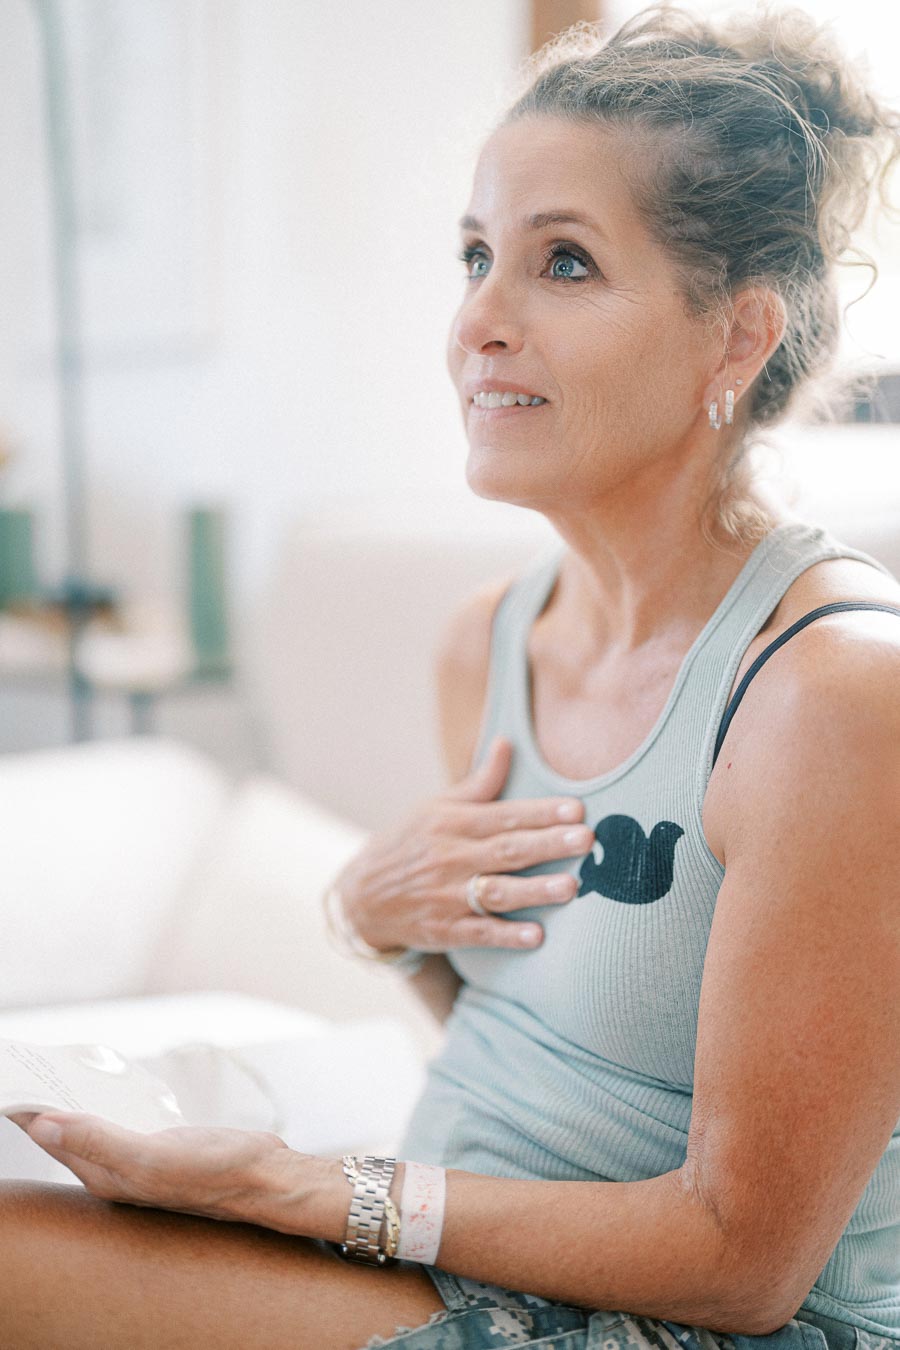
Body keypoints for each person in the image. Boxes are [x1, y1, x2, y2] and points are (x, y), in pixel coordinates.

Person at [3, 4, 899, 1347]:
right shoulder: (485, 642)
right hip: (470, 1229)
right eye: (476, 253)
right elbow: (525, 1036)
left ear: (737, 339)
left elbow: (742, 1259)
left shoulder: (833, 697)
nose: (480, 319)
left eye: (566, 263)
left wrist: (307, 1189)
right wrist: (388, 926)